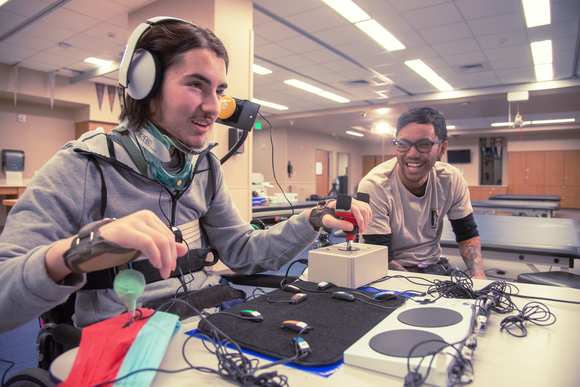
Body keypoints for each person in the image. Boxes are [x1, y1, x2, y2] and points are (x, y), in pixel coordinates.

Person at [0, 17, 371, 334]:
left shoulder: (204, 167)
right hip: (128, 335)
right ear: (144, 83)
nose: (213, 108)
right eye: (196, 84)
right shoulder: (82, 167)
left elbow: (242, 251)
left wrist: (311, 219)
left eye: (220, 91)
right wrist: (73, 252)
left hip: (209, 317)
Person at [359, 107, 486, 279]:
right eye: (403, 144)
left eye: (424, 145)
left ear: (442, 148)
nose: (412, 154)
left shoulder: (451, 179)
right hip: (389, 271)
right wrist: (426, 286)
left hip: (433, 265)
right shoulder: (375, 185)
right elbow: (382, 257)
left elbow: (467, 235)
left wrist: (478, 276)